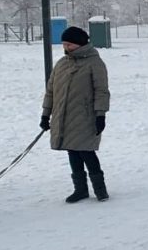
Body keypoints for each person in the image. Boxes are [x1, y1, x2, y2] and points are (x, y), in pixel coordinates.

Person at [41, 26, 111, 203]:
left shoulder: (94, 63)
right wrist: (45, 115)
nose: (66, 48)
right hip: (64, 117)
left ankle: (100, 190)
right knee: (72, 151)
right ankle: (80, 190)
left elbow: (101, 91)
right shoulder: (62, 64)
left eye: (69, 44)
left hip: (85, 117)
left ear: (80, 44)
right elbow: (51, 91)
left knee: (87, 152)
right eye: (64, 44)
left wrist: (100, 115)